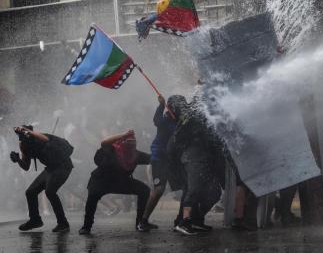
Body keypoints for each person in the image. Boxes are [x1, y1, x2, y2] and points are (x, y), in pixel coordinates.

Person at [167, 95, 222, 235]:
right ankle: (184, 222)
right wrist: (200, 92)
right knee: (194, 189)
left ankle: (196, 219)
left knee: (215, 191)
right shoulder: (186, 117)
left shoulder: (194, 112)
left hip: (205, 158)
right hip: (193, 158)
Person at [79, 130, 150, 235]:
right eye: (128, 141)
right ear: (122, 142)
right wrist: (123, 135)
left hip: (120, 182)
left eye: (133, 142)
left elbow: (153, 159)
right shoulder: (112, 149)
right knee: (92, 197)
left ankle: (140, 223)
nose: (131, 144)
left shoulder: (136, 155)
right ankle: (86, 226)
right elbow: (104, 143)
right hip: (101, 180)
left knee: (144, 190)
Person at [10, 125, 74, 232]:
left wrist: (26, 130)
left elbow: (46, 139)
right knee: (30, 192)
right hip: (50, 169)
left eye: (25, 134)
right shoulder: (23, 145)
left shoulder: (40, 136)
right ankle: (35, 220)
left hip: (63, 166)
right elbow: (26, 166)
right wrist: (18, 160)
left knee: (50, 192)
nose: (23, 138)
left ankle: (63, 223)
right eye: (21, 136)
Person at [137, 95, 177, 232]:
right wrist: (161, 105)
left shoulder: (179, 120)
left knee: (185, 186)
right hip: (159, 158)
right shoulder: (166, 119)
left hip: (171, 160)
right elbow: (156, 121)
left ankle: (183, 220)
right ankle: (143, 221)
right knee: (159, 189)